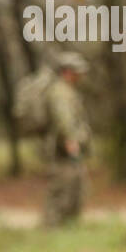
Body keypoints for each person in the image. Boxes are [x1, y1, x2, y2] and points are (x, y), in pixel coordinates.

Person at [43, 50, 91, 227]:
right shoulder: (60, 92)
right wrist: (71, 141)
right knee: (61, 191)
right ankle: (51, 229)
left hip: (67, 150)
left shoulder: (67, 91)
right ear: (68, 71)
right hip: (63, 151)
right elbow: (63, 119)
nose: (81, 75)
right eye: (78, 71)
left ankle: (68, 228)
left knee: (74, 190)